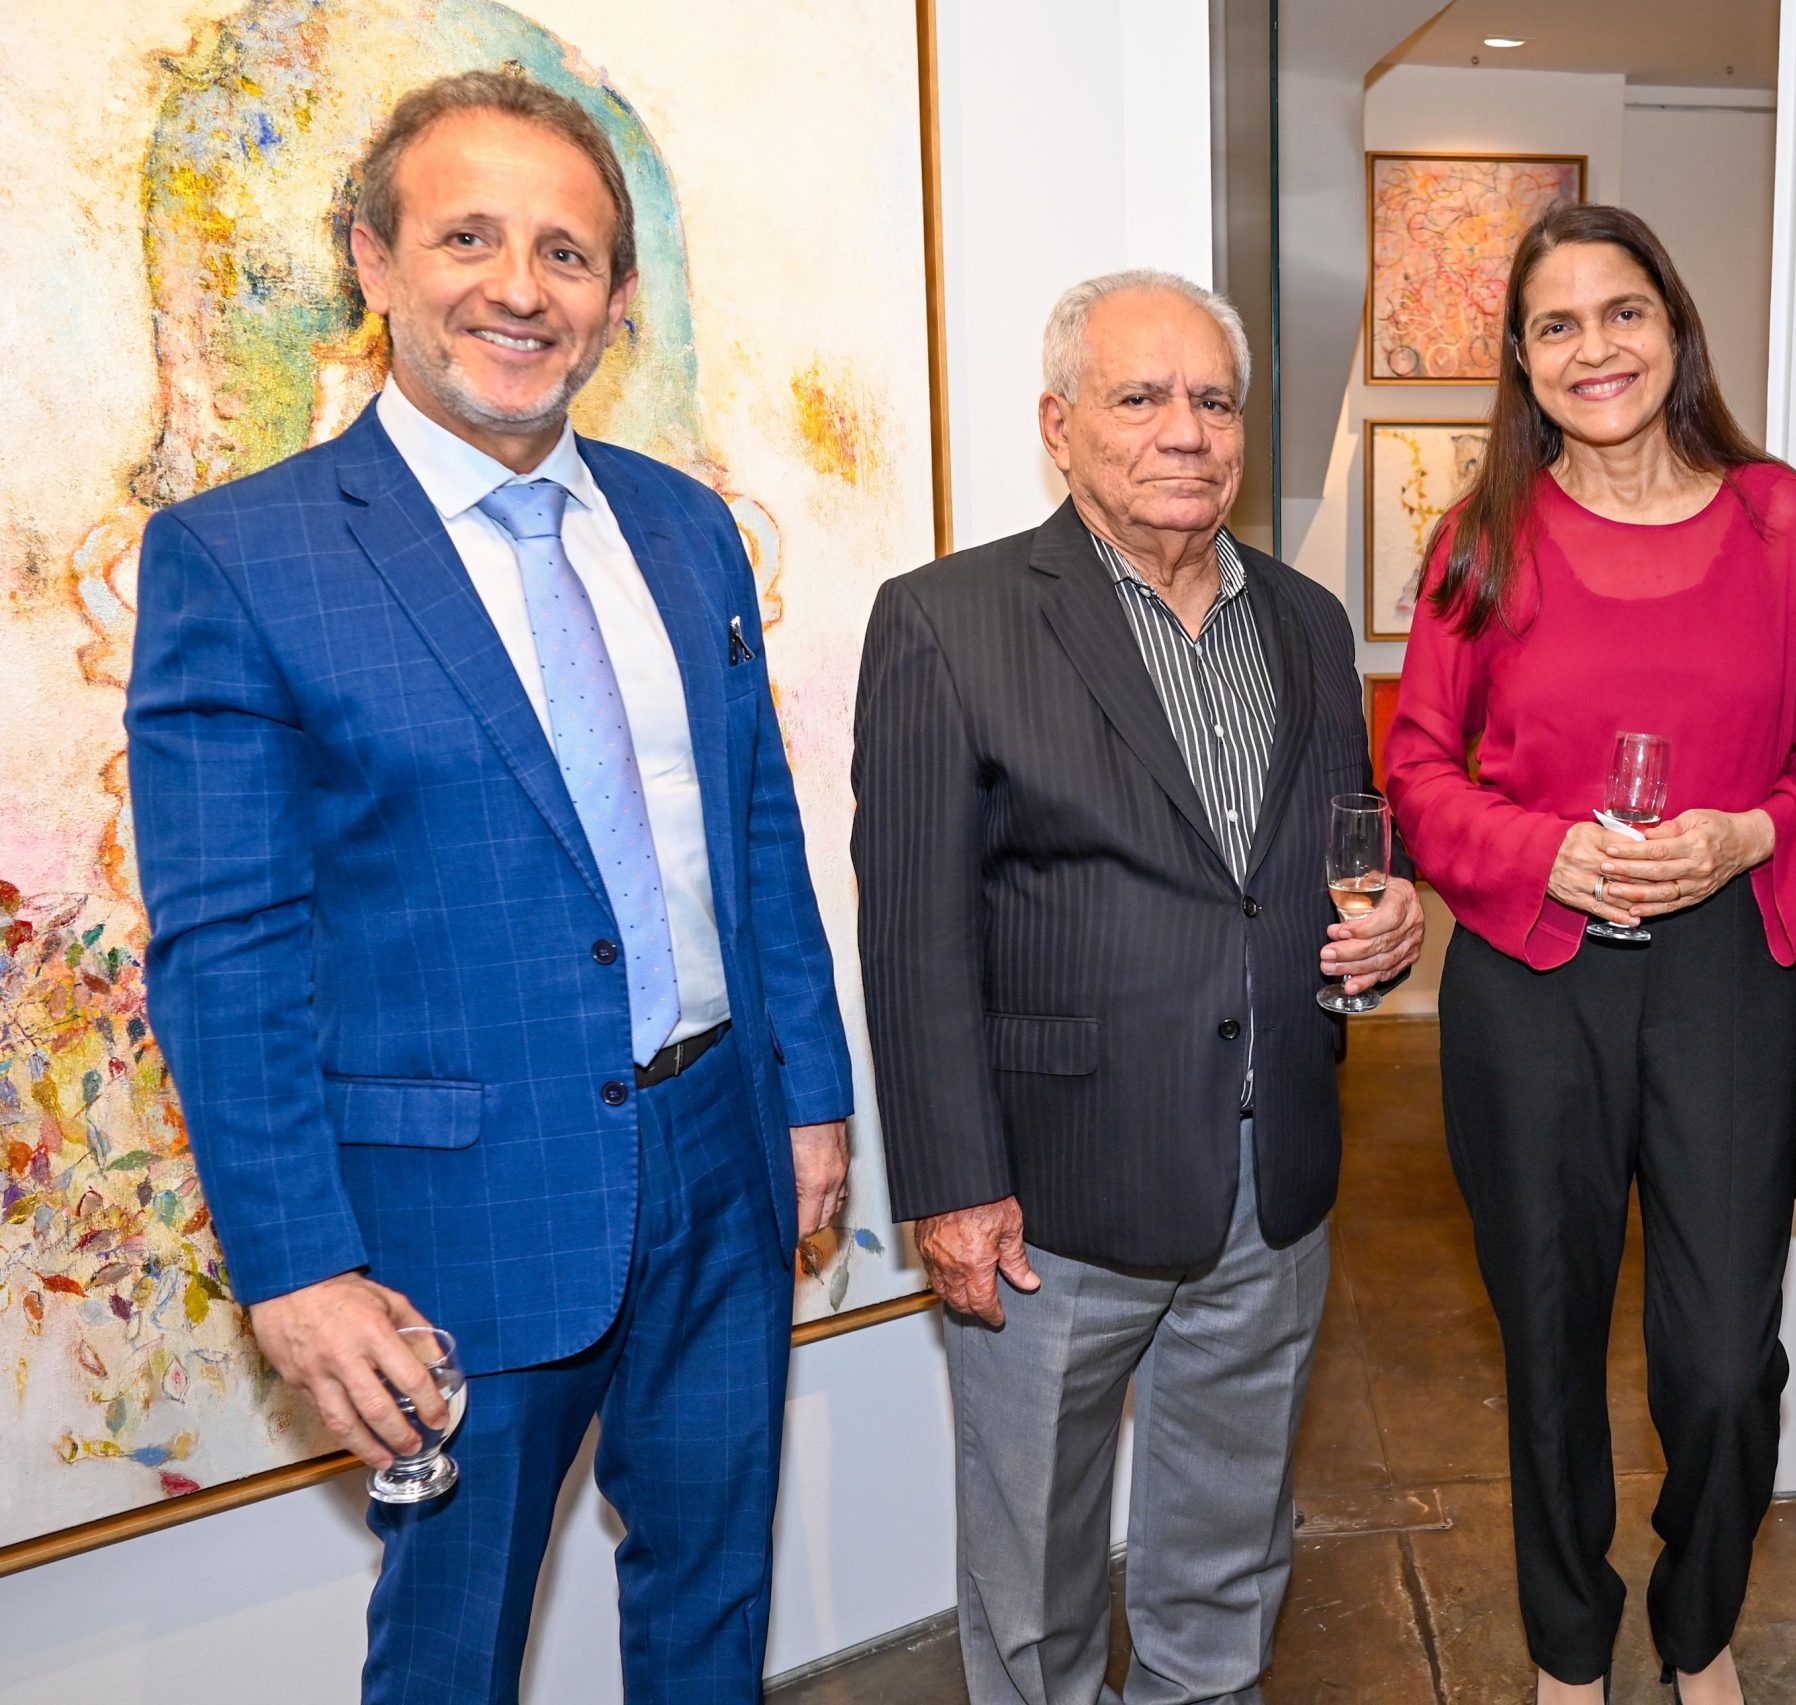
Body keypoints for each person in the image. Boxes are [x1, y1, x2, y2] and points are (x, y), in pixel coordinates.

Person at [124, 71, 854, 1704]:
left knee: (712, 1607)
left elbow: (754, 829)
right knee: (449, 1659)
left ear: (616, 300)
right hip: (458, 1221)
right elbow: (229, 955)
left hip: (722, 1162)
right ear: (373, 261)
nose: (520, 289)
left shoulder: (685, 530)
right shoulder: (243, 559)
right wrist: (297, 1268)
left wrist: (810, 1094)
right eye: (469, 238)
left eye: (565, 253)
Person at [852, 270, 1425, 1705]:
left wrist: (1385, 930)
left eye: (1214, 400)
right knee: (1034, 1577)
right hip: (1050, 1203)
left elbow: (1326, 861)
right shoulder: (948, 618)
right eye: (1141, 396)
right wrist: (953, 1186)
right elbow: (914, 934)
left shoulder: (1307, 620)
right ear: (1059, 425)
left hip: (1268, 1186)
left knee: (1229, 1552)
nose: (1186, 430)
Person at [1384, 204, 1796, 1705]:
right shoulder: (1481, 539)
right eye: (1556, 325)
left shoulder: (1779, 519)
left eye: (1622, 312)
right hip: (1534, 977)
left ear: (1673, 326)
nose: (1593, 348)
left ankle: (1697, 1622)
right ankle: (1568, 1646)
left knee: (1723, 1361)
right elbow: (1416, 767)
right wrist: (1540, 851)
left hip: (1727, 970)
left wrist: (1747, 834)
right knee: (1547, 1339)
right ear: (1522, 361)